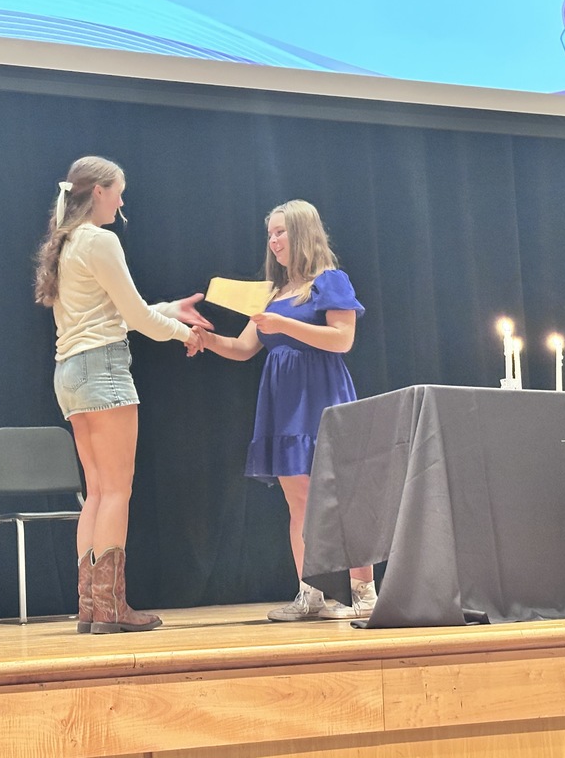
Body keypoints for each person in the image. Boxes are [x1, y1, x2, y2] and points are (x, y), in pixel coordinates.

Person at [34, 155, 208, 634]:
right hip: (102, 368)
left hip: (70, 372)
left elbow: (112, 310)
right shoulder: (100, 239)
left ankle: (91, 607)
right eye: (118, 191)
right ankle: (111, 608)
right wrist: (183, 333)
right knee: (116, 491)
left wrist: (171, 309)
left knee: (97, 492)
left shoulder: (68, 242)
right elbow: (134, 320)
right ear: (98, 192)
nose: (123, 200)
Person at [192, 200, 377, 621]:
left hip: (323, 396)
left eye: (281, 232)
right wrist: (206, 339)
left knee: (341, 497)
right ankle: (310, 594)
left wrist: (285, 326)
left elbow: (341, 339)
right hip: (284, 403)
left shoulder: (329, 280)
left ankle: (363, 592)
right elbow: (243, 348)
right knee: (299, 501)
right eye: (270, 234)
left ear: (302, 232)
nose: (273, 241)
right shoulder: (274, 293)